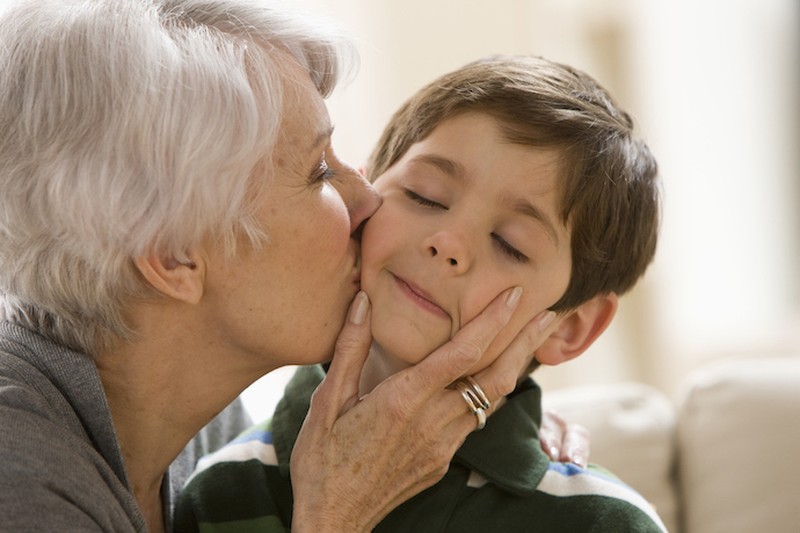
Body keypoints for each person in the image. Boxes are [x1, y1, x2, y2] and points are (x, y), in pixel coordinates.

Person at [0, 2, 577, 532]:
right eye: (318, 174)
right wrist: (337, 516)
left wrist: (501, 428)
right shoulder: (22, 485)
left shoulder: (200, 428)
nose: (368, 199)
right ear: (173, 254)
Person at [174, 55, 667, 532]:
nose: (448, 244)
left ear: (570, 326)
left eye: (509, 244)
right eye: (424, 195)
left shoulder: (602, 522)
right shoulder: (220, 489)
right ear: (366, 196)